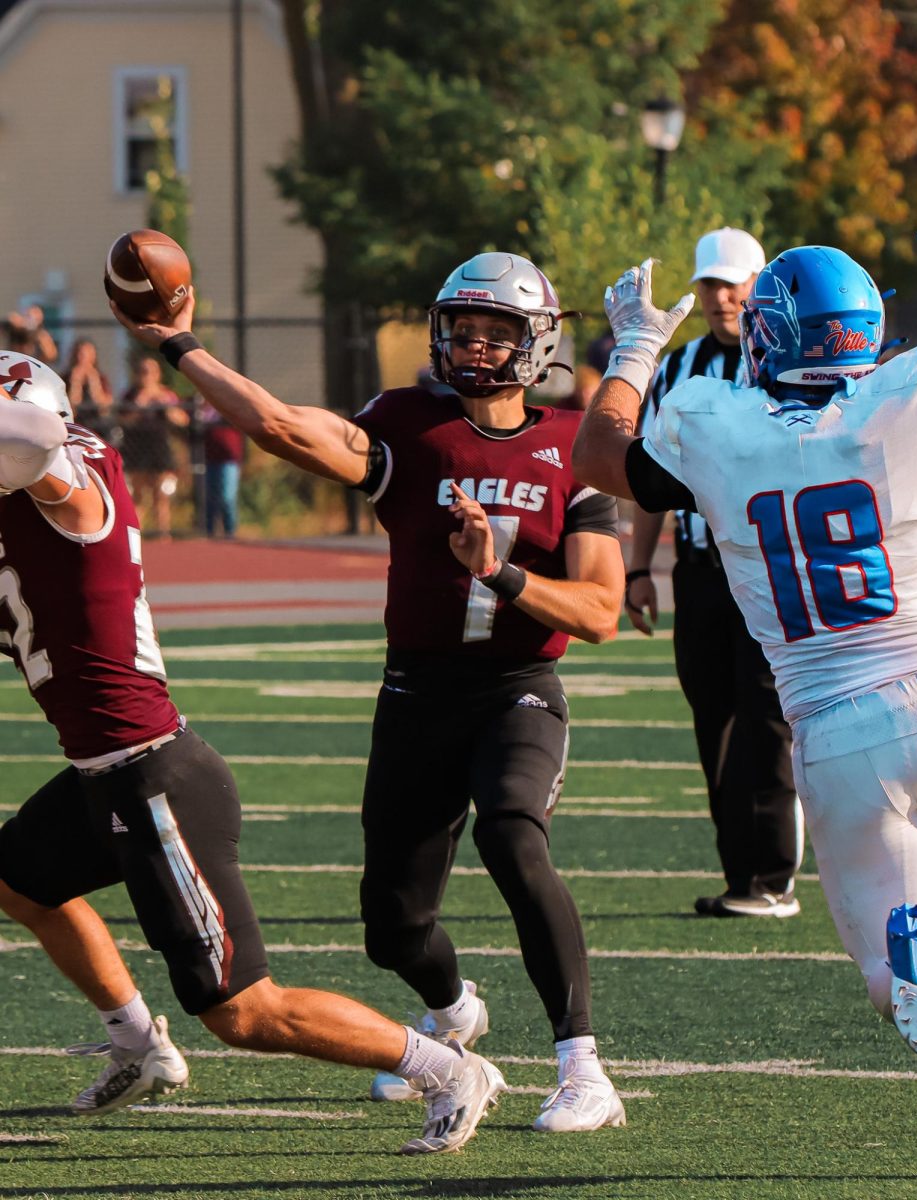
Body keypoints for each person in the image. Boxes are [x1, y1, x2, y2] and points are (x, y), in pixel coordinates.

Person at [111, 251, 628, 1133]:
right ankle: (455, 1012)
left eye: (494, 332)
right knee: (392, 927)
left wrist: (499, 576)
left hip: (516, 688)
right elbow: (279, 425)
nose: (471, 345)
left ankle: (583, 1066)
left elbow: (602, 610)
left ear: (536, 344)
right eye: (461, 327)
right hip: (417, 692)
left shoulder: (570, 447)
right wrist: (179, 346)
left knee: (513, 834)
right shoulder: (408, 424)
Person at [0, 352, 504, 1153]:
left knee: (240, 1011)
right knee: (17, 880)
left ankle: (443, 1067)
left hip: (153, 776)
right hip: (106, 775)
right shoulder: (45, 475)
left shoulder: (63, 482)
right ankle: (137, 1043)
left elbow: (27, 431)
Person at [571, 167, 917, 1061]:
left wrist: (633, 346)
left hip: (835, 722)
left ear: (767, 338)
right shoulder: (913, 393)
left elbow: (598, 455)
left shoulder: (715, 425)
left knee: (892, 956)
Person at [626, 228, 802, 918]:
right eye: (710, 285)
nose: (723, 297)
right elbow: (648, 472)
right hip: (699, 568)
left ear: (761, 285)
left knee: (767, 717)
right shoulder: (678, 366)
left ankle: (773, 878)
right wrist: (639, 567)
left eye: (735, 284)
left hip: (763, 561)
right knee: (714, 716)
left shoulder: (786, 362)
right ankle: (741, 874)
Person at [117, 356, 189, 538]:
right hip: (136, 446)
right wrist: (139, 404)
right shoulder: (130, 395)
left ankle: (163, 534)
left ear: (158, 374)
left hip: (160, 446)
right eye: (142, 372)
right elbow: (123, 421)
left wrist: (166, 406)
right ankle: (135, 536)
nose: (146, 376)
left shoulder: (165, 394)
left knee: (161, 494)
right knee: (138, 494)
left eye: (150, 372)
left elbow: (182, 420)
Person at [199, 399, 245, 537]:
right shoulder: (200, 406)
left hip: (228, 459)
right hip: (207, 458)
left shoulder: (229, 404)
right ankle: (209, 533)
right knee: (209, 498)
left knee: (226, 497)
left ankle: (229, 532)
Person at [65, 338, 117, 447]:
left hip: (96, 423)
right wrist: (75, 382)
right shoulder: (65, 378)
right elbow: (70, 409)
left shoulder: (101, 379)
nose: (82, 358)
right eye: (80, 353)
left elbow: (104, 408)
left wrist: (94, 382)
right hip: (75, 423)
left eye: (87, 354)